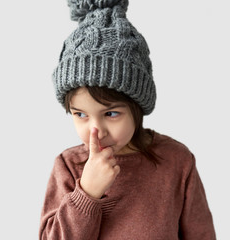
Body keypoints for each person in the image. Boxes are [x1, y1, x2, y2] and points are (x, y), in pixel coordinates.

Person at [39, 0, 216, 239]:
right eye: (80, 114)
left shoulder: (177, 162)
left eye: (111, 113)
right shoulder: (69, 167)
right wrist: (87, 194)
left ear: (137, 106)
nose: (96, 130)